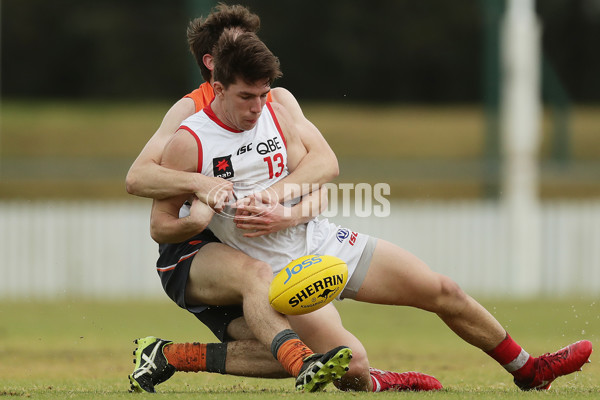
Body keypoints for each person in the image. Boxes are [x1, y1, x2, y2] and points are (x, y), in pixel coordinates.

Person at [151, 29, 593, 393]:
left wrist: (284, 207)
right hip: (274, 269)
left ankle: (528, 369)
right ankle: (380, 380)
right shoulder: (190, 140)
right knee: (353, 367)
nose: (256, 107)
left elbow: (327, 164)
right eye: (247, 96)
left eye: (262, 95)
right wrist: (197, 215)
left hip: (319, 238)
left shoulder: (278, 106)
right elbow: (159, 222)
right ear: (219, 87)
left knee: (443, 289)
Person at [127, 4, 442, 394]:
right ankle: (303, 363)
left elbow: (321, 180)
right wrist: (200, 185)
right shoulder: (191, 114)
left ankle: (170, 355)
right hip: (198, 250)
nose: (256, 58)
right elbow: (138, 177)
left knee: (346, 360)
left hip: (256, 247)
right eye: (243, 48)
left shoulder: (270, 105)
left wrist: (285, 212)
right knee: (268, 295)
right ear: (213, 63)